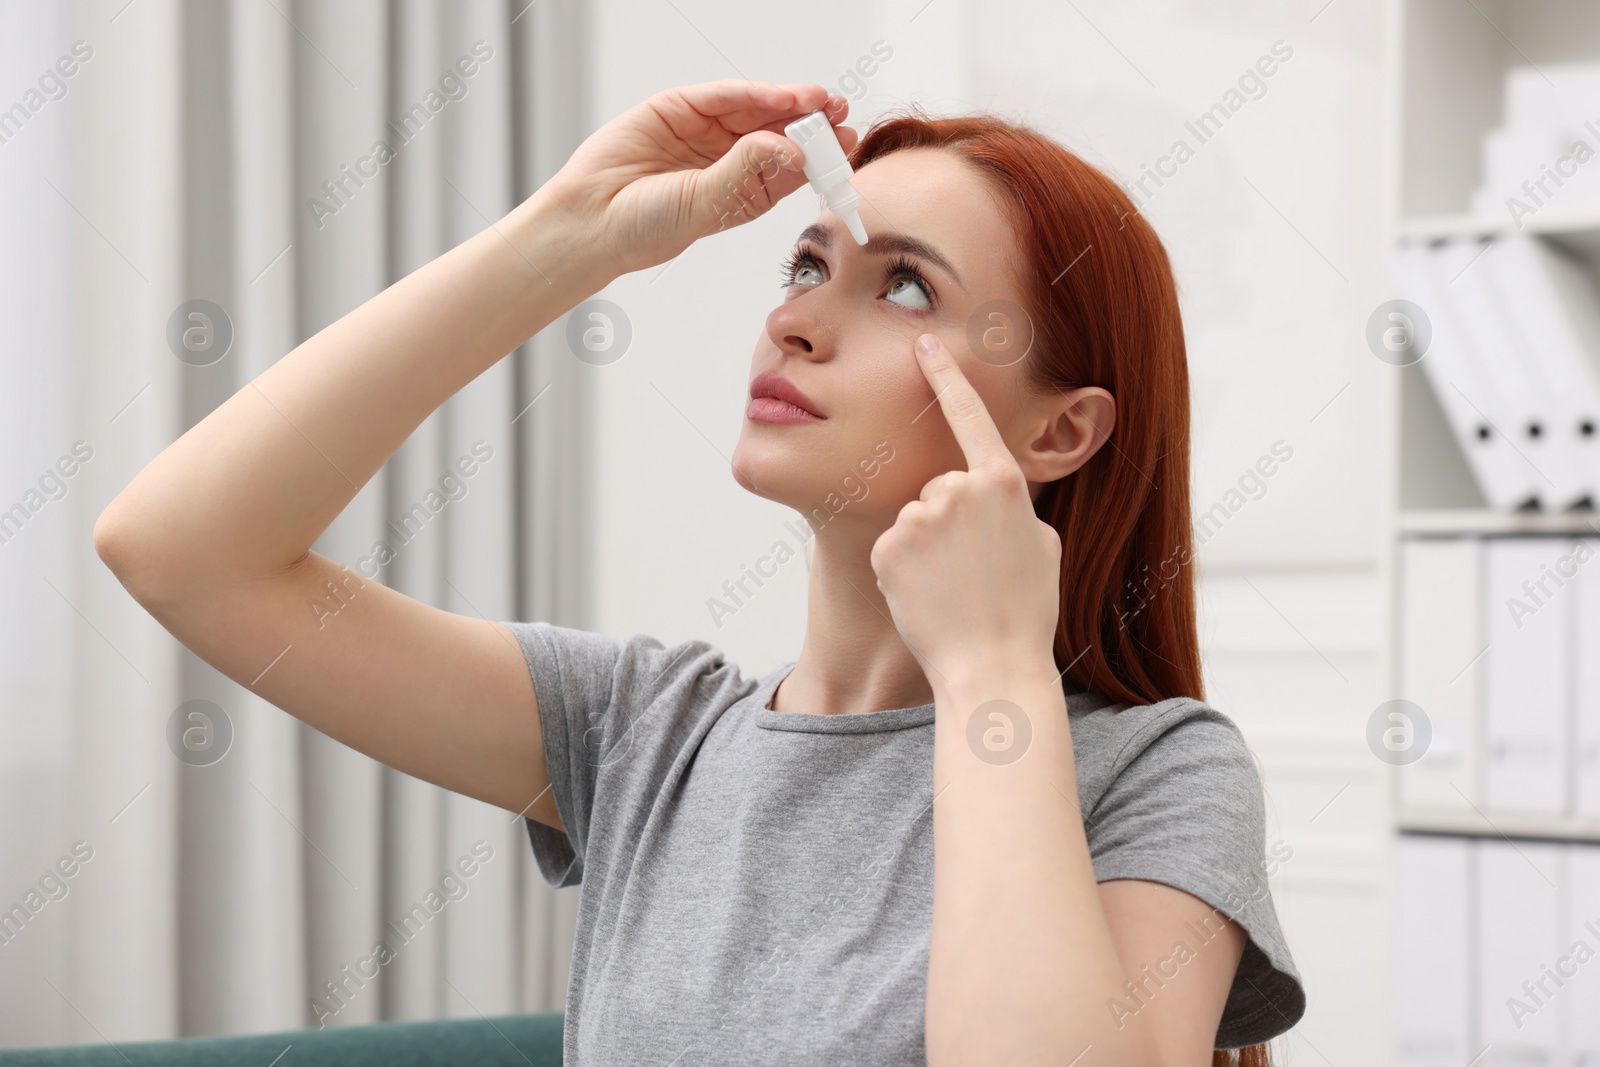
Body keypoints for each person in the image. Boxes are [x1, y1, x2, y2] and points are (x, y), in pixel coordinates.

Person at [96, 79, 1306, 1066]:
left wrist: (992, 668)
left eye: (901, 284)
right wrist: (567, 239)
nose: (794, 321)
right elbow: (185, 552)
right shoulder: (640, 733)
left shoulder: (1158, 773)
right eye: (802, 263)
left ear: (1057, 433)